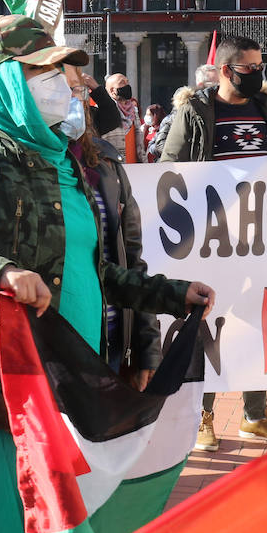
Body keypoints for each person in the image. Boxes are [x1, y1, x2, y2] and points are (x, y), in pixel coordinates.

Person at [0, 15, 214, 533]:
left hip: (51, 386)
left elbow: (87, 270)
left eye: (63, 75)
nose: (63, 87)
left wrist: (171, 295)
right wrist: (0, 272)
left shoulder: (67, 164)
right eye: (44, 75)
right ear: (4, 85)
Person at [160, 35, 267, 452]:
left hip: (261, 235)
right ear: (225, 70)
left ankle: (255, 414)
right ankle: (204, 415)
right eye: (248, 69)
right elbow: (168, 166)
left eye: (260, 68)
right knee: (208, 325)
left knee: (259, 320)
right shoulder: (195, 112)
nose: (256, 75)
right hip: (212, 237)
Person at [74, 101, 162, 390]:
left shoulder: (108, 168)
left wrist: (147, 348)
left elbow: (132, 261)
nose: (66, 96)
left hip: (109, 347)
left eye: (75, 90)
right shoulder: (18, 169)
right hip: (49, 354)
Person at [103, 72, 143, 161]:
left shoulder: (133, 111)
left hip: (137, 169)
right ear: (112, 90)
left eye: (127, 82)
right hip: (116, 166)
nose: (127, 85)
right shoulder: (103, 112)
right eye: (122, 83)